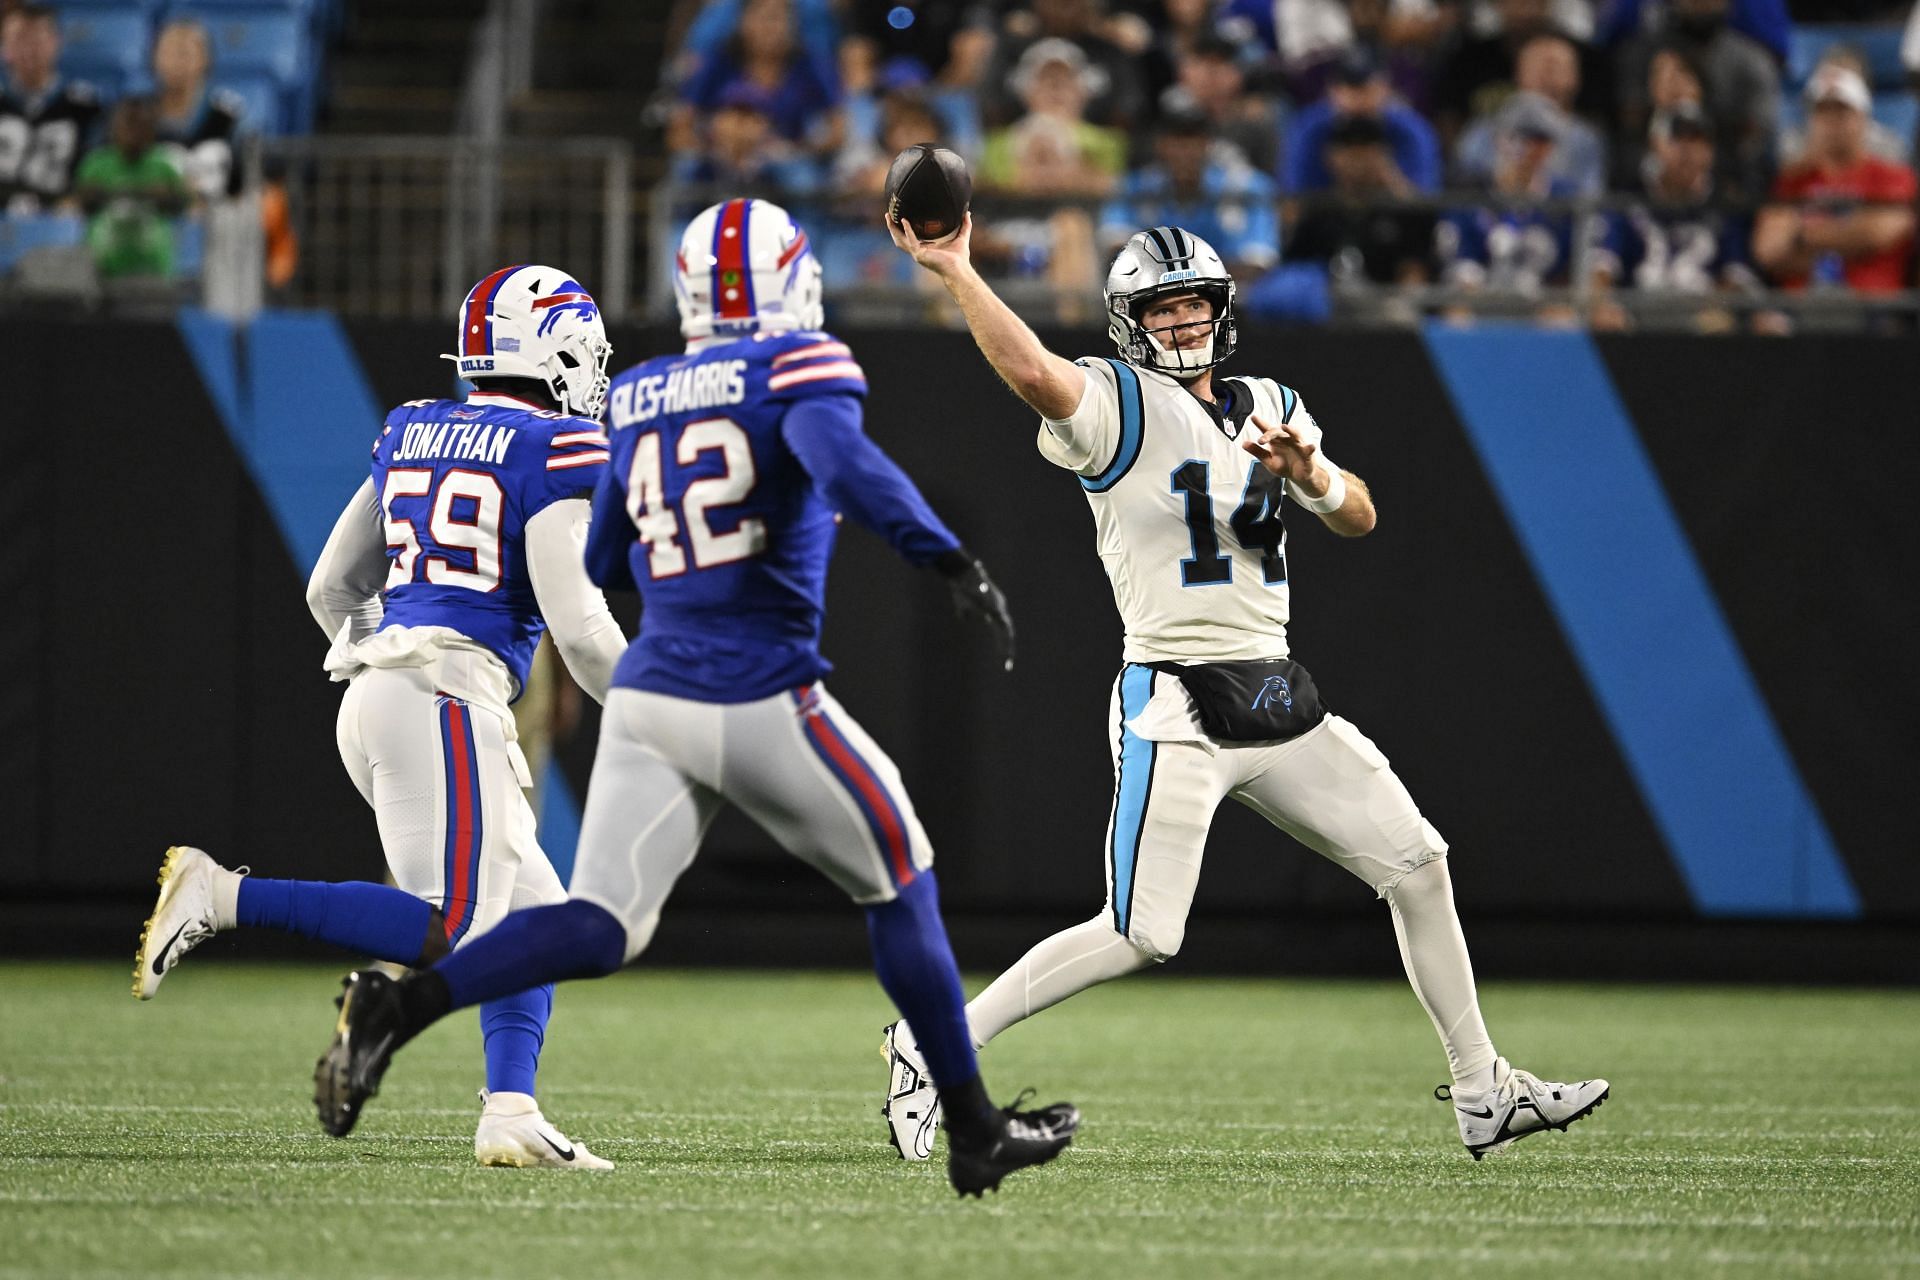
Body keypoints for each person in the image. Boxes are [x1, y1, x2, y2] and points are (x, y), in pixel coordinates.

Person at [308, 199, 1081, 1199]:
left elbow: (603, 555)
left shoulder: (640, 395)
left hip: (649, 694)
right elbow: (848, 462)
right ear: (794, 287)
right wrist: (947, 558)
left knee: (600, 924)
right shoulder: (797, 369)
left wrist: (691, 546)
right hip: (756, 684)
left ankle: (396, 1013)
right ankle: (973, 1128)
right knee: (901, 874)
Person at [881, 210, 1609, 1163]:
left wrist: (1310, 471)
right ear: (1129, 322)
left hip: (1274, 695)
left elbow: (1360, 515)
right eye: (1164, 312)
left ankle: (1483, 1089)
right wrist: (958, 272)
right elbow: (1031, 371)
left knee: (1418, 865)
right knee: (1141, 933)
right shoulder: (1118, 402)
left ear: (1221, 313)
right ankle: (933, 1047)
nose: (1183, 327)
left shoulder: (1271, 401)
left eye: (1195, 309)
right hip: (1175, 699)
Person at [134, 264, 630, 1170]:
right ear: (556, 352)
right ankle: (221, 892)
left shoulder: (414, 428)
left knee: (543, 919)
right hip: (446, 700)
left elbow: (333, 587)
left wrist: (384, 659)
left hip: (385, 696)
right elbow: (584, 630)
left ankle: (510, 1112)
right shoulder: (556, 448)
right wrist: (654, 717)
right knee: (451, 928)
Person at [1587, 104, 1759, 331]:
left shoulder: (1724, 206)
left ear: (1710, 151)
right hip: (1634, 320)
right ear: (1656, 145)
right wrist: (1603, 305)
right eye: (1677, 138)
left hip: (1702, 320)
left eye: (1697, 140)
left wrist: (1720, 308)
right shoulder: (1628, 199)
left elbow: (1735, 274)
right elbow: (1602, 266)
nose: (1687, 150)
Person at [1753, 64, 1916, 295]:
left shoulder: (1892, 176)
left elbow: (1882, 231)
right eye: (1822, 112)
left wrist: (1801, 234)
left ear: (1862, 117)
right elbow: (1769, 250)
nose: (1831, 122)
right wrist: (1854, 246)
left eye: (1841, 111)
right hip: (1800, 313)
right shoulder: (1793, 180)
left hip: (1874, 310)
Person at [1098, 105, 1279, 280]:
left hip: (1229, 300)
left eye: (1193, 140)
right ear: (1160, 145)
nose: (1185, 152)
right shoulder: (1134, 188)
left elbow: (1258, 264)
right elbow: (1117, 254)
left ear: (1208, 145)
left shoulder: (1247, 188)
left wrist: (1176, 275)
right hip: (1153, 299)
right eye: (1176, 141)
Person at [1285, 113, 1437, 288]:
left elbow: (1416, 269)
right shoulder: (1319, 211)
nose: (1356, 162)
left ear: (1383, 155)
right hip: (1327, 307)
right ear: (1331, 157)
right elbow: (1294, 268)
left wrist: (1394, 183)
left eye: (1365, 151)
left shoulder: (1402, 211)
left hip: (1388, 306)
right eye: (1349, 151)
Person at [1453, 33, 1607, 195]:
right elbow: (1461, 187)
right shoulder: (1482, 132)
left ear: (1575, 79)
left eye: (1557, 67)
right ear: (1518, 74)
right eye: (1539, 66)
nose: (1547, 77)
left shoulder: (1585, 139)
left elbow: (1591, 200)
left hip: (1557, 218)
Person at [1281, 47, 1440, 196]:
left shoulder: (1411, 130)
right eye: (1349, 88)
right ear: (1332, 90)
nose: (1357, 98)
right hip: (1324, 221)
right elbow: (1289, 207)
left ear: (1385, 87)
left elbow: (1428, 204)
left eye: (1366, 88)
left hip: (1396, 222)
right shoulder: (1309, 128)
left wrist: (1386, 175)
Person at [0, 4, 102, 211]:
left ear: (56, 43)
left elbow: (93, 172)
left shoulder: (84, 107)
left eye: (38, 39)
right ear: (4, 48)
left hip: (59, 220)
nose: (30, 49)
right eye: (20, 40)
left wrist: (74, 201)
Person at [74, 96, 188, 278]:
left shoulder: (165, 164)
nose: (133, 133)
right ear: (114, 128)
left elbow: (181, 206)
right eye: (127, 126)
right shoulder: (96, 163)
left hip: (153, 263)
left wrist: (166, 197)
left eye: (140, 126)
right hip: (104, 262)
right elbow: (84, 204)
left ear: (152, 130)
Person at [150, 18, 248, 201]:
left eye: (183, 53)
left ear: (205, 59)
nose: (173, 63)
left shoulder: (225, 116)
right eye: (166, 52)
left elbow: (242, 186)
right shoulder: (139, 114)